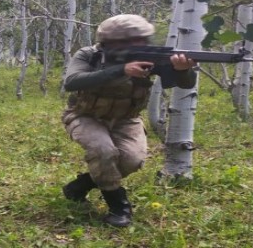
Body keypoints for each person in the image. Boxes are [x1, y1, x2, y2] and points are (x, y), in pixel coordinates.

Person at [61, 14, 197, 227]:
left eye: (141, 39)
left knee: (131, 161)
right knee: (103, 151)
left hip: (126, 119)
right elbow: (71, 82)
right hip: (85, 115)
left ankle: (79, 186)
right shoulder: (90, 54)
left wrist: (184, 70)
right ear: (109, 41)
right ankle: (119, 208)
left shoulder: (151, 57)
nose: (138, 45)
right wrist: (121, 70)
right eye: (129, 41)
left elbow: (185, 84)